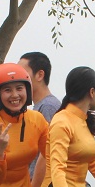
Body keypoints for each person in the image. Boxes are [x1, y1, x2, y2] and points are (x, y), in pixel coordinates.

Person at [19, 52, 61, 180]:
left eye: (23, 73)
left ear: (40, 75)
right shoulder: (40, 106)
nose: (18, 78)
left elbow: (46, 155)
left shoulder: (48, 107)